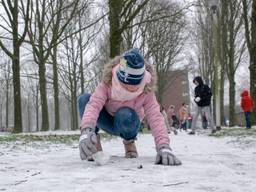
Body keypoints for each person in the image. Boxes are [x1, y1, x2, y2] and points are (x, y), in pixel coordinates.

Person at [78, 48, 181, 166]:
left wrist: (164, 146)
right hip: (106, 120)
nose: (129, 88)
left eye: (134, 85)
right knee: (84, 99)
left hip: (128, 123)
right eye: (125, 84)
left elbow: (155, 117)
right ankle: (92, 142)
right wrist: (86, 130)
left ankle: (129, 142)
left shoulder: (146, 91)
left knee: (124, 113)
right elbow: (94, 105)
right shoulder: (108, 83)